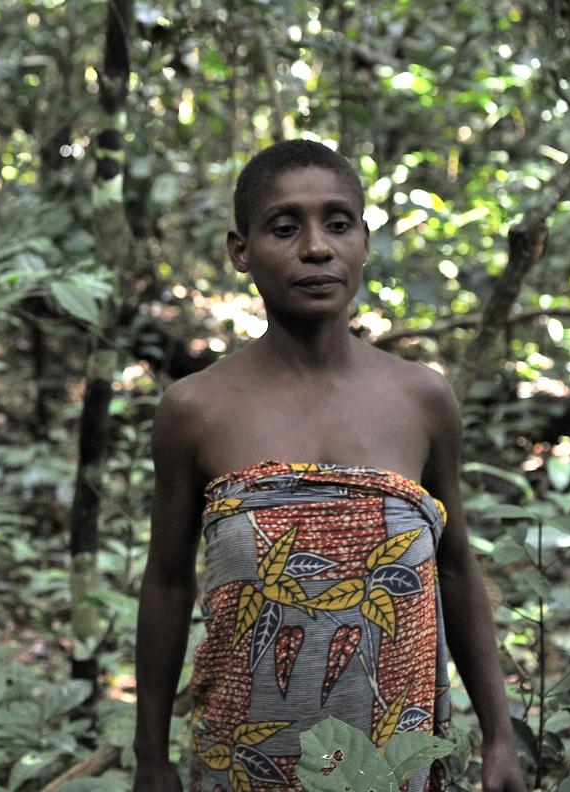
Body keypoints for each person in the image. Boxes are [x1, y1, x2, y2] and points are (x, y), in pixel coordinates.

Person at [131, 140, 526, 792]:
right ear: (240, 250)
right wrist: (151, 757)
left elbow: (455, 567)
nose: (316, 248)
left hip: (395, 763)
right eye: (285, 228)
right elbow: (168, 583)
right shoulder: (195, 409)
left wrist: (500, 733)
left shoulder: (421, 400)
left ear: (364, 241)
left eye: (337, 224)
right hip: (245, 760)